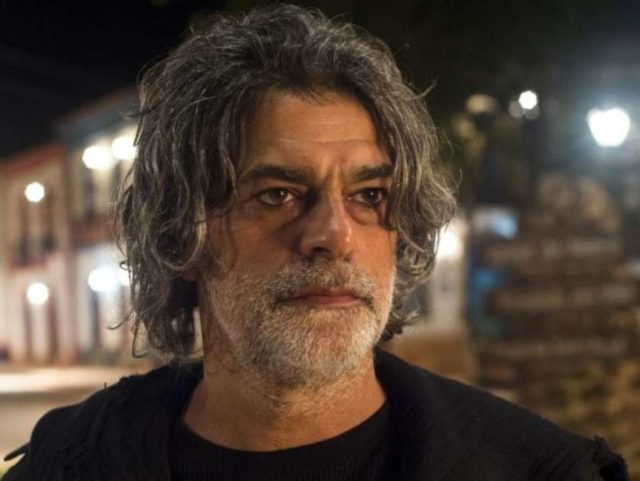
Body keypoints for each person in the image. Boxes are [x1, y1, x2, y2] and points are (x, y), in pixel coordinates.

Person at [4, 5, 628, 481]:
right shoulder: (74, 464)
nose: (333, 234)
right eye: (277, 194)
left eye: (370, 195)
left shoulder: (534, 469)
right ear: (181, 232)